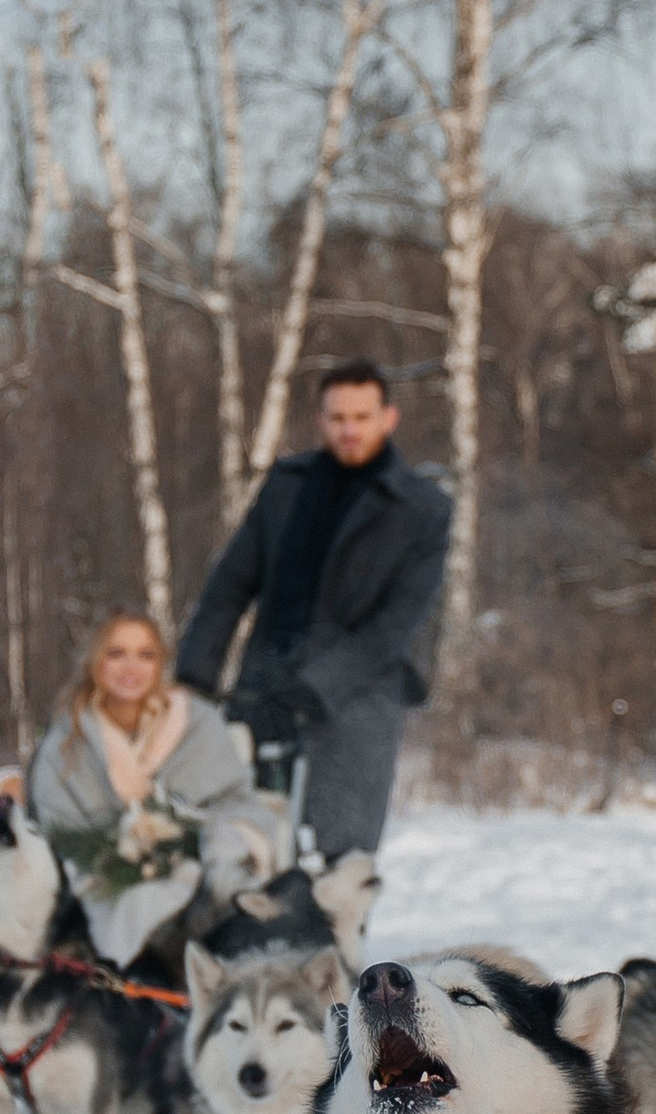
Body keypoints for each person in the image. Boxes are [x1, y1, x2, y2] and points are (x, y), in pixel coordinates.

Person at [175, 360, 452, 864]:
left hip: (356, 704)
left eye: (362, 417)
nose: (350, 430)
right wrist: (195, 675)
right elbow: (229, 585)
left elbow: (397, 624)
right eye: (338, 417)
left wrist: (318, 685)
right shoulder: (287, 485)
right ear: (321, 420)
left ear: (388, 418)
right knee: (244, 853)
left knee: (336, 866)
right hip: (263, 689)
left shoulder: (421, 509)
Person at [25, 609, 280, 966]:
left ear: (161, 662)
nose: (131, 667)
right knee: (138, 902)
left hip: (199, 872)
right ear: (95, 661)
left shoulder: (197, 721)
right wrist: (125, 851)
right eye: (117, 653)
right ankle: (133, 987)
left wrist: (209, 838)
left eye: (145, 654)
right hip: (103, 882)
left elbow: (236, 802)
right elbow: (58, 829)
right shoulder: (68, 741)